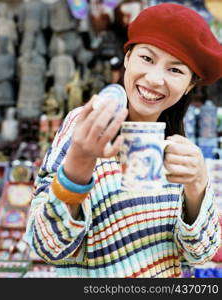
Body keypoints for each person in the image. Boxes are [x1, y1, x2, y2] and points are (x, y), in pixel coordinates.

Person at [24, 3, 222, 278]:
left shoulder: (180, 150)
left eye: (175, 70)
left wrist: (197, 186)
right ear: (127, 57)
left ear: (190, 84)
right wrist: (79, 164)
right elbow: (45, 246)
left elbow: (201, 253)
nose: (154, 79)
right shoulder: (86, 124)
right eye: (147, 58)